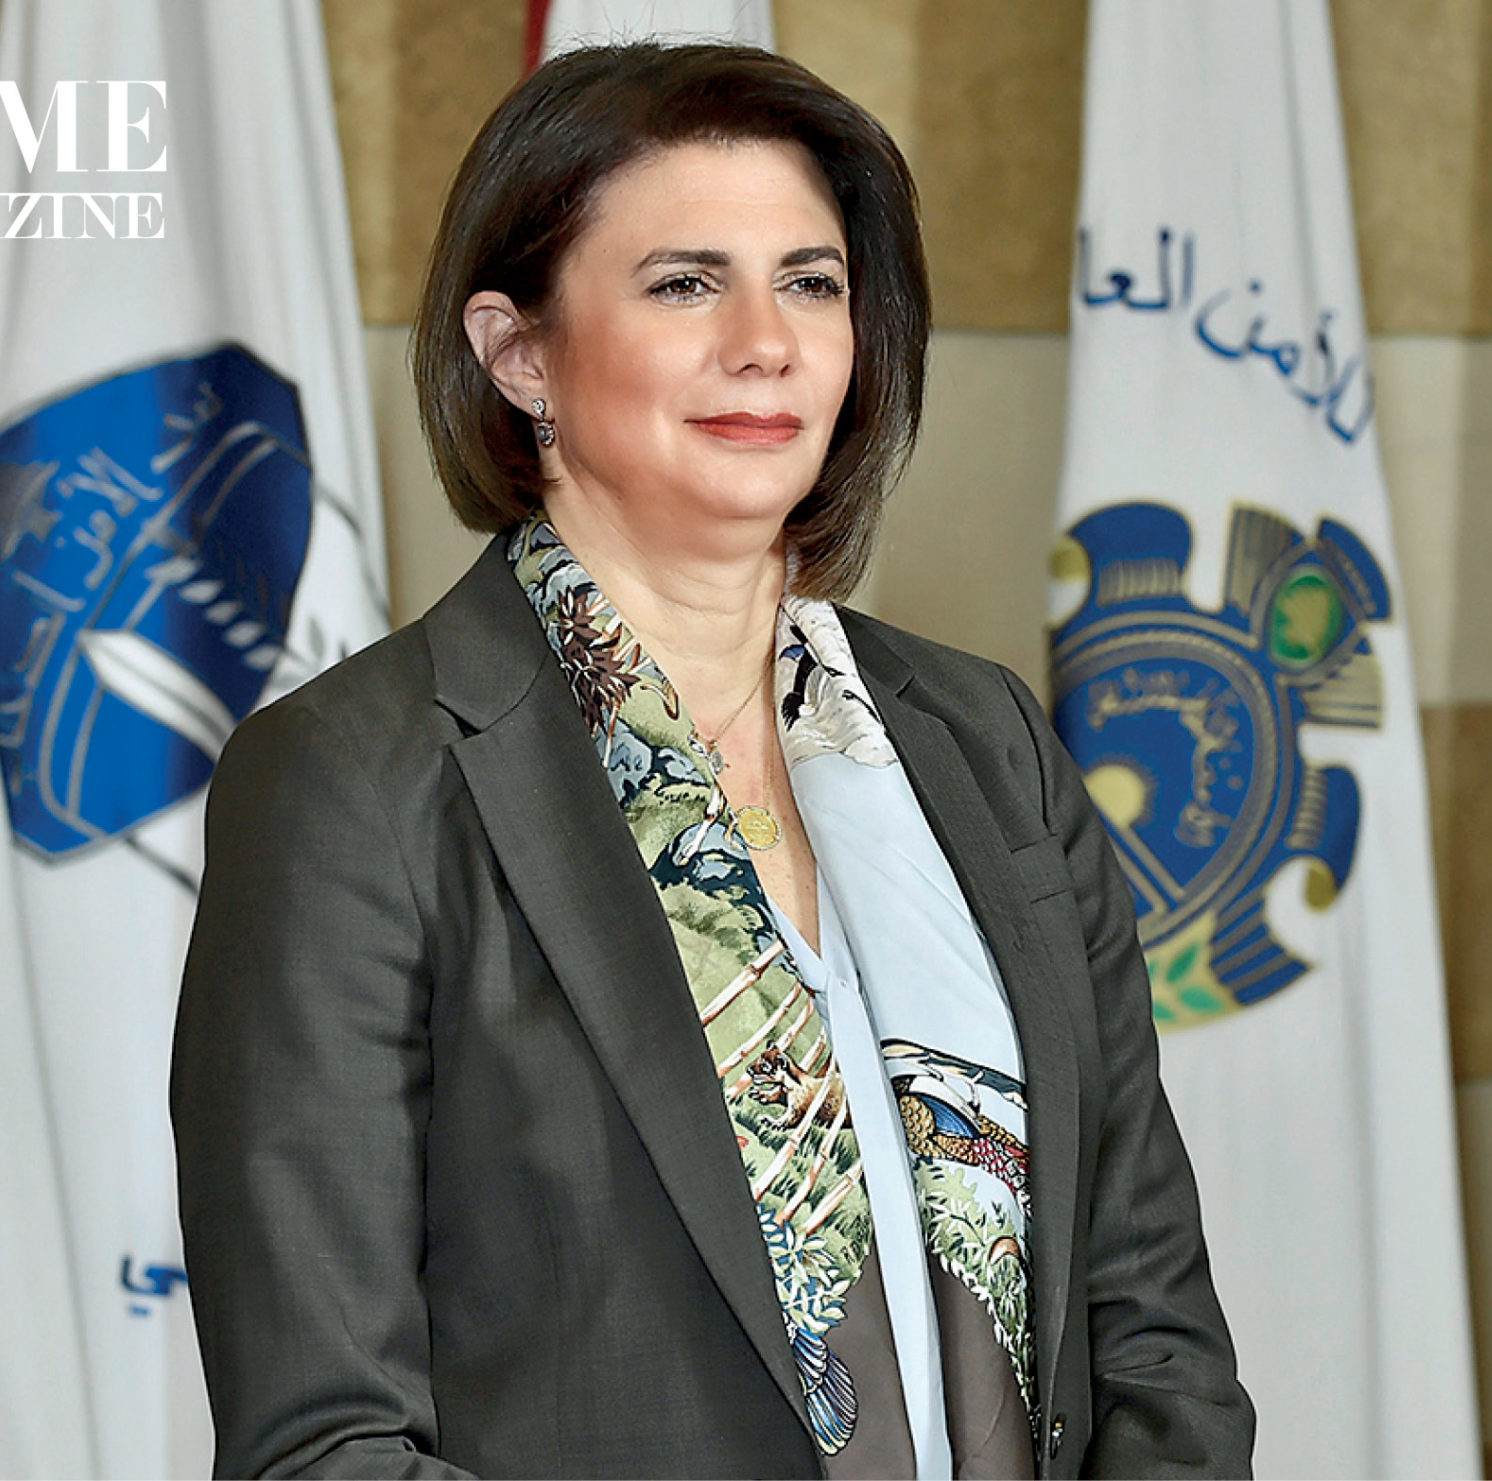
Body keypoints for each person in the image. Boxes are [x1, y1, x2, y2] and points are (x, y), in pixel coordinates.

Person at [170, 41, 1253, 1479]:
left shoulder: (983, 743)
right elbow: (328, 1438)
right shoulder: (353, 781)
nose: (768, 339)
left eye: (811, 280)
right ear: (520, 353)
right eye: (686, 282)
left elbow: (1153, 1324)